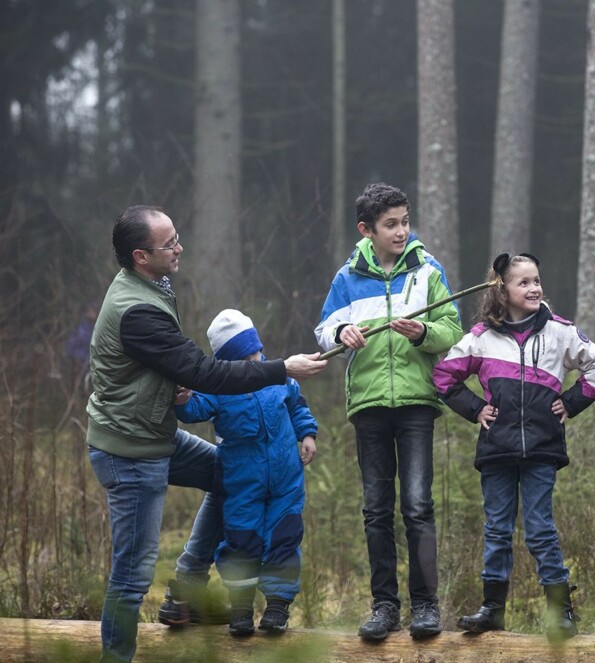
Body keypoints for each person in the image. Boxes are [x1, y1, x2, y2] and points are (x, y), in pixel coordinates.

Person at [87, 205, 327, 662]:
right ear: (140, 255)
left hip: (151, 433)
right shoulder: (137, 309)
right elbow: (205, 373)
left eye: (178, 237)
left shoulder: (151, 285)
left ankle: (187, 593)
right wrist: (282, 369)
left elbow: (182, 370)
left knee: (228, 471)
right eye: (169, 243)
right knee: (132, 574)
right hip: (131, 451)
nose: (180, 248)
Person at [433, 252, 595, 643]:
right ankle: (492, 609)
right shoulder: (480, 338)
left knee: (539, 530)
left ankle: (561, 612)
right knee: (497, 529)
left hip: (542, 449)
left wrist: (573, 400)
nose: (534, 288)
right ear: (502, 289)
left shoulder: (561, 332)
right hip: (497, 449)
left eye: (536, 280)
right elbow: (444, 375)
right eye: (524, 282)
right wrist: (476, 408)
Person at [314, 182, 463, 641]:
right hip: (369, 405)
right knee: (376, 510)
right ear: (367, 230)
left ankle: (425, 605)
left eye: (405, 221)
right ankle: (384, 606)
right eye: (391, 225)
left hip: (418, 402)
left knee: (418, 506)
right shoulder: (347, 278)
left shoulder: (428, 270)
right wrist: (343, 335)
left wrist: (422, 333)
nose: (401, 232)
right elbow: (324, 328)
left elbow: (452, 330)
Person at [175, 309, 319, 637]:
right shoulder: (218, 388)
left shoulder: (279, 375)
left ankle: (278, 608)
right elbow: (194, 409)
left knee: (285, 537)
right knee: (241, 540)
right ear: (228, 363)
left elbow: (297, 405)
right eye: (245, 358)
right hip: (241, 482)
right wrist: (181, 399)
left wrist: (307, 434)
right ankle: (240, 609)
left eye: (255, 352)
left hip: (286, 478)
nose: (255, 360)